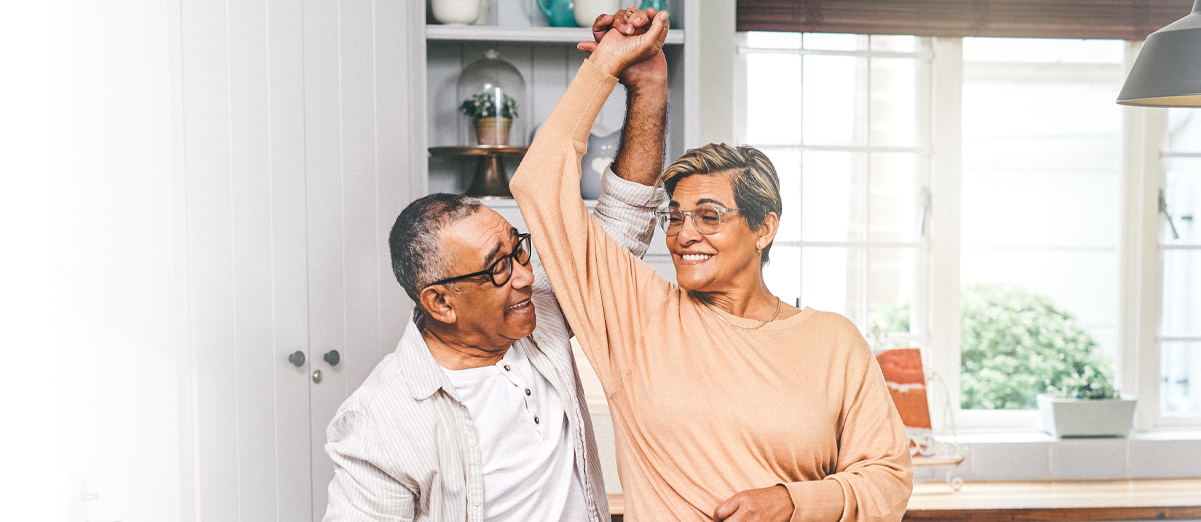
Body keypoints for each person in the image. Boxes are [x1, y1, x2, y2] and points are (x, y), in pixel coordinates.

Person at [511, 9, 913, 522]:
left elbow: (889, 479)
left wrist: (791, 501)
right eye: (674, 217)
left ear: (763, 228)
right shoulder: (635, 315)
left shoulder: (835, 342)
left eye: (709, 216)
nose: (684, 235)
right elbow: (539, 183)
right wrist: (608, 67)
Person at [319, 9, 672, 522]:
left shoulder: (537, 314)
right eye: (496, 269)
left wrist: (647, 86)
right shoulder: (381, 421)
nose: (525, 275)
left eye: (518, 249)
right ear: (439, 302)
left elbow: (622, 221)